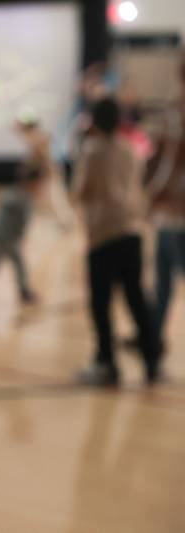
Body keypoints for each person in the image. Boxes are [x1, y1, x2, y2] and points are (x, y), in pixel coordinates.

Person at [72, 97, 161, 386]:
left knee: (101, 302)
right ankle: (151, 360)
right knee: (136, 297)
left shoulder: (92, 151)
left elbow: (81, 191)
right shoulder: (132, 149)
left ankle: (106, 362)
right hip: (132, 229)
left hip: (103, 234)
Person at [0, 119, 49, 305]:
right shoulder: (25, 201)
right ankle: (23, 291)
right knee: (18, 265)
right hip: (7, 239)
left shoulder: (10, 193)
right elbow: (22, 225)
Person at [147, 59, 185, 352]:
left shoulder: (177, 110)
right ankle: (153, 334)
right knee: (161, 277)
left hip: (176, 211)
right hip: (171, 212)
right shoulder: (174, 108)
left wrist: (151, 195)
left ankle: (154, 334)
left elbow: (170, 162)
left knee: (166, 275)